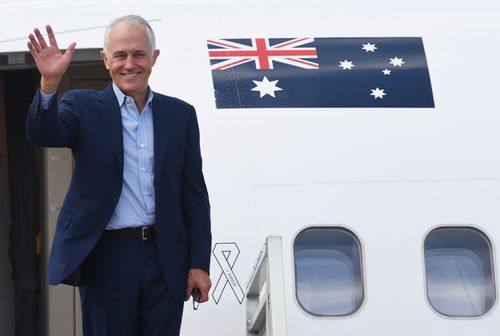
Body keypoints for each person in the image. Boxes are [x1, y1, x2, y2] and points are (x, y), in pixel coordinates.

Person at [26, 15, 212, 336]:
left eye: (139, 54)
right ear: (105, 59)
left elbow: (193, 194)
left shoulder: (180, 115)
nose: (130, 64)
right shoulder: (82, 106)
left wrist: (198, 263)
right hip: (107, 257)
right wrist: (49, 84)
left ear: (154, 58)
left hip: (164, 256)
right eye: (120, 55)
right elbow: (42, 132)